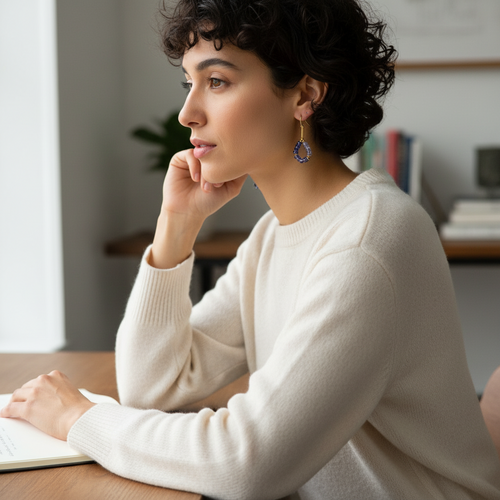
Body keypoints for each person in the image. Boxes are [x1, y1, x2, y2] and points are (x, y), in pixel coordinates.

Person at [2, 0, 500, 498]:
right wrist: (176, 225)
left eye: (216, 82)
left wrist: (79, 418)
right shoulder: (273, 235)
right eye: (189, 83)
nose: (187, 112)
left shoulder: (367, 243)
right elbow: (153, 388)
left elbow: (245, 461)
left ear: (305, 94)